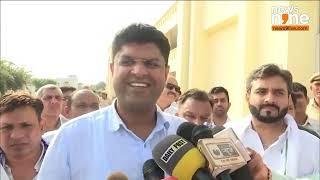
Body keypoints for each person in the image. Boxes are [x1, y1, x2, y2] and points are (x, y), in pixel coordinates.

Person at [37, 23, 185, 180]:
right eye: (127, 62)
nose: (139, 71)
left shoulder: (187, 136)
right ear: (113, 69)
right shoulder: (70, 137)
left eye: (151, 64)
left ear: (166, 72)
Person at [227, 64, 319, 178]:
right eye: (261, 91)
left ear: (288, 98)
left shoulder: (313, 145)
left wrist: (268, 176)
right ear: (247, 96)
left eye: (279, 92)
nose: (270, 99)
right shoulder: (225, 136)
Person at [0, 91, 48, 180]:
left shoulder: (66, 161)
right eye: (7, 127)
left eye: (26, 126)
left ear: (42, 126)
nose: (16, 135)